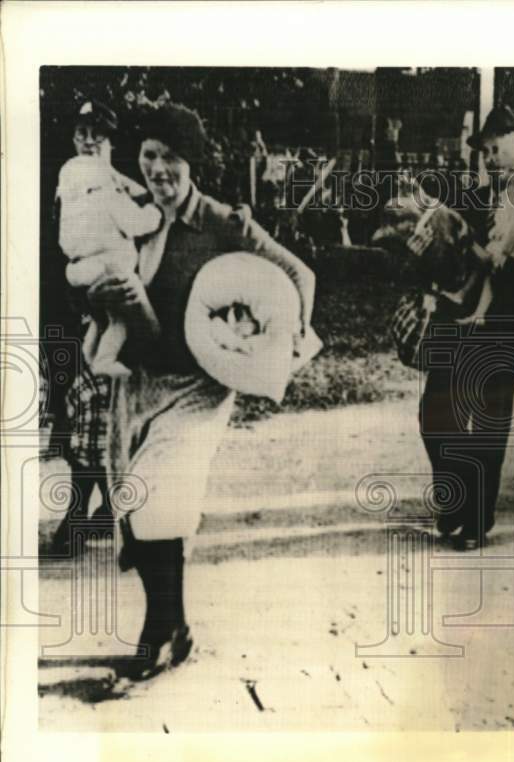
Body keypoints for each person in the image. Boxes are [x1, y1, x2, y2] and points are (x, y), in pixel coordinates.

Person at [97, 103, 315, 680]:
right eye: (149, 155)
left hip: (197, 385)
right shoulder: (130, 218)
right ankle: (178, 626)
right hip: (138, 383)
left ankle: (157, 633)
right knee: (137, 509)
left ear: (190, 161)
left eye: (171, 156)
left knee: (153, 497)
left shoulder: (224, 223)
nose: (159, 168)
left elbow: (300, 276)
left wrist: (282, 342)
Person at [410, 106, 514, 550]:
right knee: (435, 418)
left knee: (487, 428)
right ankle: (454, 503)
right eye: (486, 152)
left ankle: (475, 521)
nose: (491, 159)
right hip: (454, 325)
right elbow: (440, 256)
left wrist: (501, 264)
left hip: (501, 330)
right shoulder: (470, 201)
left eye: (498, 150)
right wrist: (426, 255)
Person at [48, 100, 140, 556]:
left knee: (120, 420)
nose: (89, 141)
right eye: (83, 132)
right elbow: (59, 253)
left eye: (98, 135)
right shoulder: (68, 184)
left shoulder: (122, 189)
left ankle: (115, 517)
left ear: (110, 143)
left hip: (123, 316)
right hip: (77, 313)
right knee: (81, 413)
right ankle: (81, 512)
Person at [57, 154, 163, 375]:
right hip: (110, 267)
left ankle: (89, 353)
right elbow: (137, 223)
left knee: (100, 319)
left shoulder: (71, 207)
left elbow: (64, 244)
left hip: (80, 270)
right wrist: (155, 213)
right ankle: (105, 360)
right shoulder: (109, 198)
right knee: (119, 320)